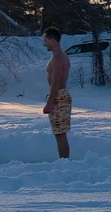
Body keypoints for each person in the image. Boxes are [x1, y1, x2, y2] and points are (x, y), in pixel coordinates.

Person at [42, 26, 72, 159]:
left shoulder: (58, 58)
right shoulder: (60, 55)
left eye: (46, 40)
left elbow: (56, 83)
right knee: (59, 132)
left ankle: (64, 162)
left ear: (53, 40)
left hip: (59, 96)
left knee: (60, 133)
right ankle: (64, 161)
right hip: (60, 96)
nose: (44, 43)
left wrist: (49, 103)